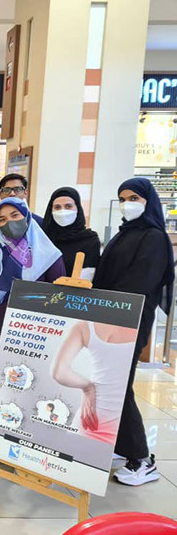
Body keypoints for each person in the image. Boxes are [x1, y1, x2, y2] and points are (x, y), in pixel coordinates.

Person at [92, 177, 174, 486]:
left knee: (118, 386)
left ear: (148, 201)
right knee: (107, 384)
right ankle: (120, 445)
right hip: (108, 321)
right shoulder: (125, 233)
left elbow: (139, 283)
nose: (128, 204)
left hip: (129, 323)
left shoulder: (154, 237)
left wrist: (105, 302)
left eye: (134, 198)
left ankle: (142, 459)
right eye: (123, 198)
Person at [0, 197, 65, 464]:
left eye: (15, 215)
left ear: (27, 217)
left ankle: (22, 445)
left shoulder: (48, 254)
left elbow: (59, 296)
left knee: (26, 390)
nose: (9, 222)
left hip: (31, 335)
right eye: (2, 219)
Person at [52, 320, 137, 443]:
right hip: (123, 429)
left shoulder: (84, 325)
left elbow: (59, 372)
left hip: (88, 420)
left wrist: (87, 388)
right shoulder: (139, 323)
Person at [42, 187, 100, 279]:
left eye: (68, 206)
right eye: (57, 207)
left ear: (78, 209)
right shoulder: (43, 237)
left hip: (73, 288)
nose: (62, 211)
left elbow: (87, 277)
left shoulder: (89, 240)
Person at [0, 174, 43, 245]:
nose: (12, 194)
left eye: (18, 189)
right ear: (0, 194)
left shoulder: (40, 223)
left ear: (25, 193)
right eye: (7, 190)